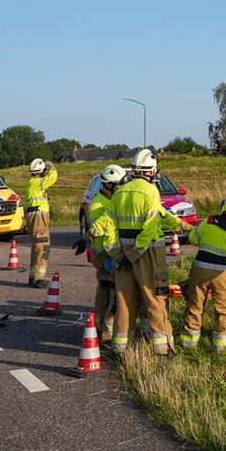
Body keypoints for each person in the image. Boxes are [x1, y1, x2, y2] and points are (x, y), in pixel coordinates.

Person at [103, 149, 173, 356]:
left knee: (124, 301)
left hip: (122, 257)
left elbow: (109, 228)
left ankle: (120, 348)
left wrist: (118, 255)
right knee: (154, 299)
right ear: (151, 171)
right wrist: (133, 255)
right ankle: (161, 349)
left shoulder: (120, 192)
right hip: (145, 255)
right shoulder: (151, 191)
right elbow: (150, 229)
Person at [180, 192, 226, 352]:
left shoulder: (209, 221)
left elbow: (194, 239)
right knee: (225, 309)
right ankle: (221, 347)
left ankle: (189, 344)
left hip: (200, 268)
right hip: (224, 273)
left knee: (195, 304)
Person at [85, 164, 127, 343]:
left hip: (107, 252)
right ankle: (106, 334)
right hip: (105, 254)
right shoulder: (99, 204)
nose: (121, 188)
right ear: (109, 185)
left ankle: (100, 328)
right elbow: (105, 230)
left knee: (104, 291)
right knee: (109, 292)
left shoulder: (108, 199)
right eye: (118, 185)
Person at [24, 158, 58, 288]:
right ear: (41, 172)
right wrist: (51, 165)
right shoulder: (39, 182)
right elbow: (53, 176)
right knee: (43, 247)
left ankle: (33, 277)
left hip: (33, 215)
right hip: (39, 217)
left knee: (36, 248)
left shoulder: (31, 183)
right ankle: (39, 278)